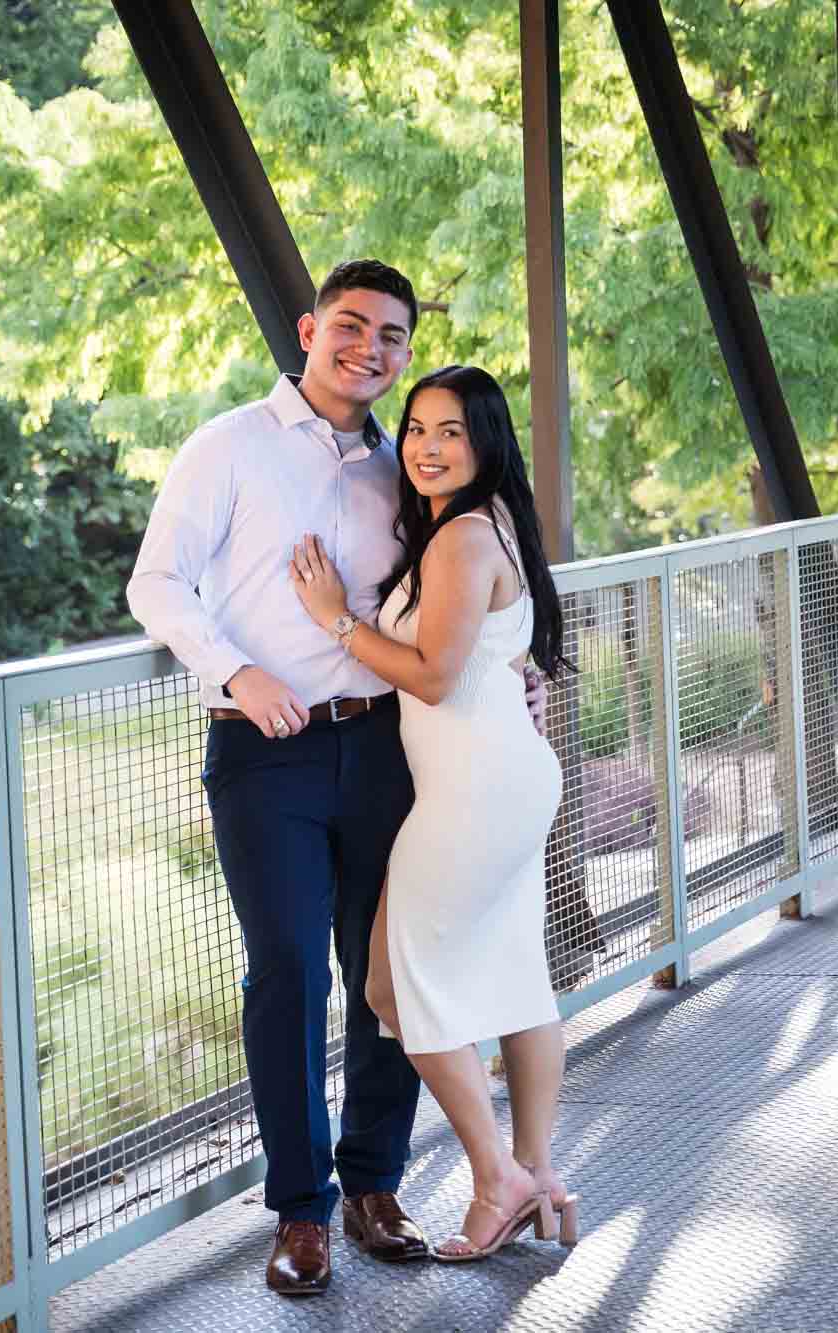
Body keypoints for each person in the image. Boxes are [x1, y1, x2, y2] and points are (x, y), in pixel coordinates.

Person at [126, 261, 545, 1296]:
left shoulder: (406, 467)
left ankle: (374, 1186)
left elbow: (458, 591)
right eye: (351, 326)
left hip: (386, 748)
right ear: (311, 329)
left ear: (404, 354)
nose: (370, 348)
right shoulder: (226, 445)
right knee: (285, 975)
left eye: (391, 336)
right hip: (264, 749)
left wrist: (506, 673)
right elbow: (153, 580)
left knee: (381, 970)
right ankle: (300, 1210)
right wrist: (233, 668)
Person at [290, 363, 579, 1260]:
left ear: (485, 439)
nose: (425, 446)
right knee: (515, 977)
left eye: (450, 430)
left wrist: (337, 619)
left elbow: (432, 672)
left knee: (391, 987)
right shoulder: (486, 524)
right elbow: (491, 656)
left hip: (474, 791)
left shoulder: (461, 539)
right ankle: (532, 1172)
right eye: (415, 428)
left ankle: (498, 1174)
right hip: (501, 777)